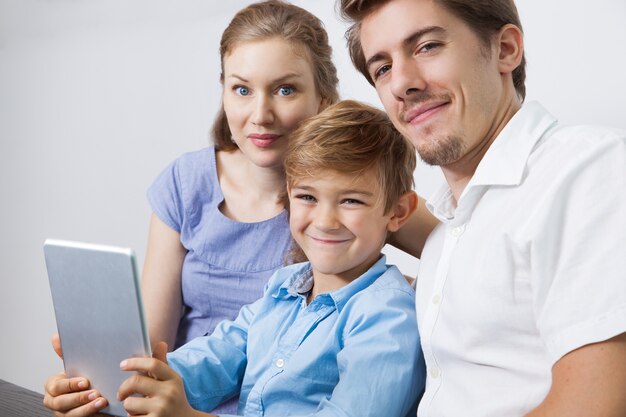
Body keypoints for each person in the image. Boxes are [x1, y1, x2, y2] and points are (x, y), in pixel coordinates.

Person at [45, 99, 427, 417]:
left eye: (351, 200)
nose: (324, 221)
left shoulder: (388, 317)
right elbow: (218, 354)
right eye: (308, 197)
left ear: (397, 212)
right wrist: (127, 376)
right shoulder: (285, 286)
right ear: (289, 194)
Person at [339, 0, 626, 416]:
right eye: (382, 68)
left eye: (427, 46)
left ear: (506, 49)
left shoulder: (587, 170)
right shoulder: (446, 234)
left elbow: (595, 407)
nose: (401, 83)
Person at [140, 1, 338, 413]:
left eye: (285, 89)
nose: (260, 115)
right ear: (224, 90)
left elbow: (455, 237)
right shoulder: (186, 181)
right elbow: (148, 350)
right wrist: (93, 384)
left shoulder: (344, 202)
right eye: (242, 89)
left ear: (322, 96)